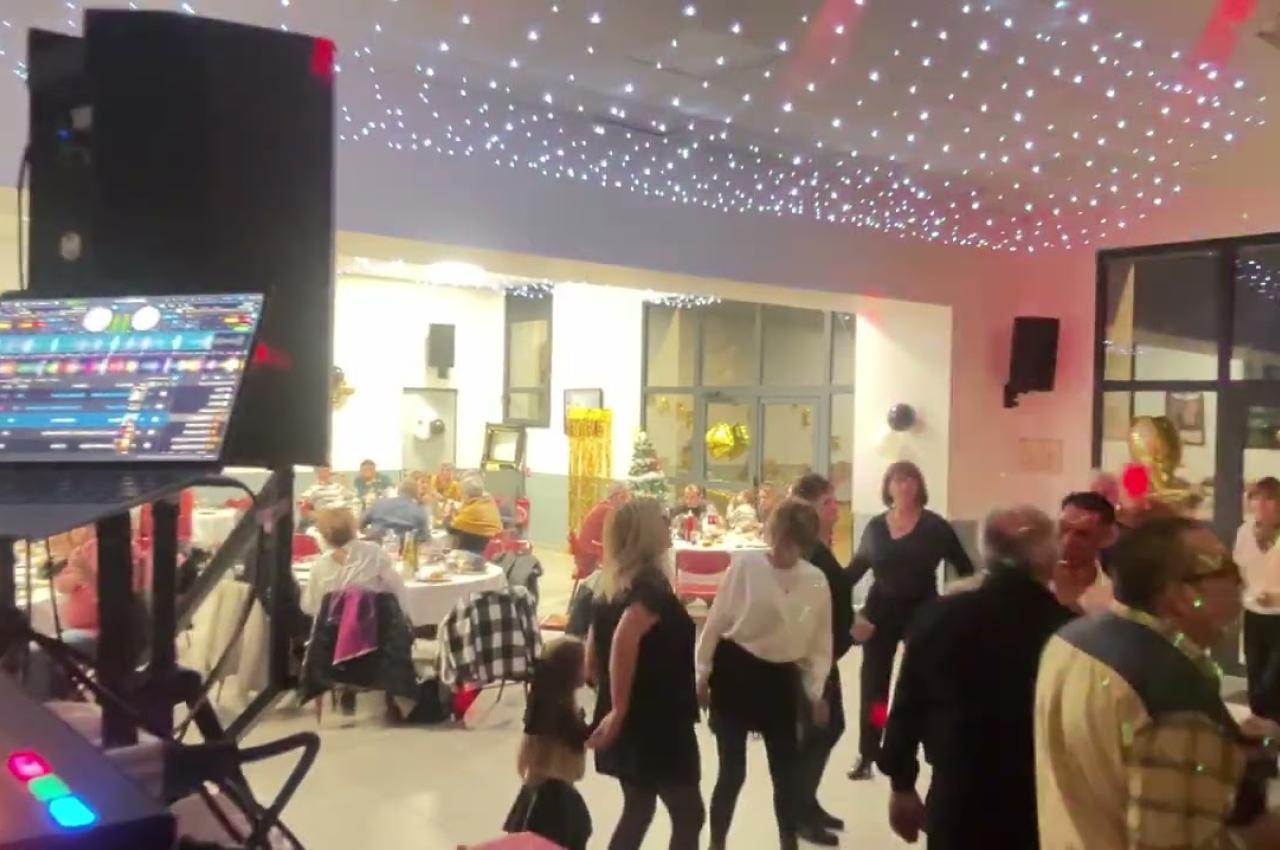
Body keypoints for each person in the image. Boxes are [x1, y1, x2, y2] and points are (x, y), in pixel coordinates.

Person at [1036, 516, 1280, 850]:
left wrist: (1225, 755)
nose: (1241, 581)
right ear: (1182, 595)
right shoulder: (1173, 693)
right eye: (1226, 570)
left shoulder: (1072, 640)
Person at [879, 506, 1073, 849]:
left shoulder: (940, 616)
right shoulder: (1067, 629)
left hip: (957, 795)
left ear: (986, 551)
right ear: (1048, 556)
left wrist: (902, 784)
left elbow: (908, 703)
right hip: (1038, 800)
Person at [697, 499, 833, 850]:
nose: (782, 550)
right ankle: (716, 844)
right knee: (732, 772)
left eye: (792, 544)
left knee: (785, 774)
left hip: (780, 680)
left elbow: (820, 645)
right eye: (780, 540)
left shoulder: (815, 582)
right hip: (735, 671)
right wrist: (702, 671)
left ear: (804, 544)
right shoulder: (746, 566)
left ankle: (789, 843)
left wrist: (815, 692)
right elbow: (716, 622)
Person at [585, 498, 704, 850]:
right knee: (688, 814)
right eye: (663, 519)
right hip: (656, 718)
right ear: (646, 532)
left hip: (632, 715)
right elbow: (625, 636)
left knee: (638, 808)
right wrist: (620, 709)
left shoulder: (610, 586)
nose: (669, 523)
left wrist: (613, 701)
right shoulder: (651, 588)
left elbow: (592, 659)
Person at [847, 461, 975, 780]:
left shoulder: (935, 527)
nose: (904, 486)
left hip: (922, 611)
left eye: (910, 480)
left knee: (923, 682)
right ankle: (869, 752)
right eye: (897, 480)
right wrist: (836, 597)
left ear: (919, 486)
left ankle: (926, 747)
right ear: (888, 487)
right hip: (880, 612)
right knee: (875, 687)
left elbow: (965, 569)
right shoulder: (876, 527)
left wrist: (952, 607)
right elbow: (856, 569)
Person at [789, 474, 852, 845]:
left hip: (826, 657)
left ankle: (807, 803)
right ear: (809, 509)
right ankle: (798, 812)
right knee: (817, 733)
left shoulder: (818, 548)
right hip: (812, 662)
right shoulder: (808, 553)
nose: (836, 510)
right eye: (827, 503)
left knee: (828, 730)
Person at [503, 637, 593, 850]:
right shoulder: (559, 714)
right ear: (570, 671)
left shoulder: (546, 706)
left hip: (543, 788)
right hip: (554, 798)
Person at [300, 508, 409, 619]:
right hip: (374, 626)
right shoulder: (374, 553)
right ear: (354, 529)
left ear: (324, 537)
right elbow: (398, 591)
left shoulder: (320, 565)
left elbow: (308, 606)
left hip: (332, 628)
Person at [1235, 477, 1280, 722]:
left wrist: (1274, 597)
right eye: (1255, 498)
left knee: (1273, 681)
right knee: (1255, 675)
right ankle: (1257, 728)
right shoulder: (1244, 532)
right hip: (1253, 613)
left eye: (1269, 498)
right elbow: (1239, 569)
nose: (1261, 504)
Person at [1051, 491, 1118, 614]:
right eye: (1063, 529)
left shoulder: (1112, 600)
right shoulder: (1033, 581)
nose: (1067, 541)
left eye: (1082, 534)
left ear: (1106, 538)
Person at [575, 482, 633, 577]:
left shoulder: (603, 507)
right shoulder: (609, 511)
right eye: (627, 497)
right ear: (619, 496)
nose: (628, 501)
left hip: (585, 556)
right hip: (591, 559)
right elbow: (614, 539)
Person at [447, 477, 504, 554]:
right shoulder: (488, 501)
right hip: (490, 547)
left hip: (476, 551)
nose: (460, 496)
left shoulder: (472, 510)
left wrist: (448, 513)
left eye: (461, 493)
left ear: (467, 495)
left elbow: (451, 529)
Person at [362, 479, 429, 542]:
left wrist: (371, 533)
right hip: (403, 548)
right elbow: (424, 537)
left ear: (398, 491)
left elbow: (360, 524)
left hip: (375, 546)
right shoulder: (419, 511)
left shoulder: (379, 503)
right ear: (416, 493)